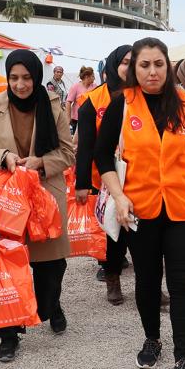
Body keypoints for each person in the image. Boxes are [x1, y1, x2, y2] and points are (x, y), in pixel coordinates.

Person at [94, 37, 185, 369]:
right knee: (148, 280)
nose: (152, 71)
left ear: (168, 66)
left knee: (182, 284)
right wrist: (118, 196)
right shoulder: (122, 104)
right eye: (144, 65)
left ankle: (183, 361)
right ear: (134, 69)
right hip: (140, 209)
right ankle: (152, 338)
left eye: (158, 64)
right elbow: (102, 155)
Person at [0, 49, 75, 362]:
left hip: (44, 193)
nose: (20, 85)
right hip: (6, 197)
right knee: (6, 265)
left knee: (51, 266)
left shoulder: (53, 105)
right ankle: (8, 332)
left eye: (27, 78)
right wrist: (3, 157)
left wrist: (41, 162)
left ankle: (51, 305)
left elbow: (68, 152)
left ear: (37, 77)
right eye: (14, 78)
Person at [75, 44, 132, 305]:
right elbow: (86, 146)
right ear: (113, 65)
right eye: (125, 62)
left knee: (145, 235)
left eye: (134, 62)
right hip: (106, 178)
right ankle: (112, 278)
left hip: (141, 178)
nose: (129, 67)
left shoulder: (145, 96)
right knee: (112, 233)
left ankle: (150, 285)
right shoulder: (92, 101)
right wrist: (82, 183)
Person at [65, 66, 97, 134]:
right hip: (77, 118)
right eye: (92, 76)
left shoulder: (94, 86)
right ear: (87, 77)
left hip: (90, 117)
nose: (94, 78)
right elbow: (68, 102)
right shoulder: (75, 87)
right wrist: (68, 117)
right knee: (77, 138)